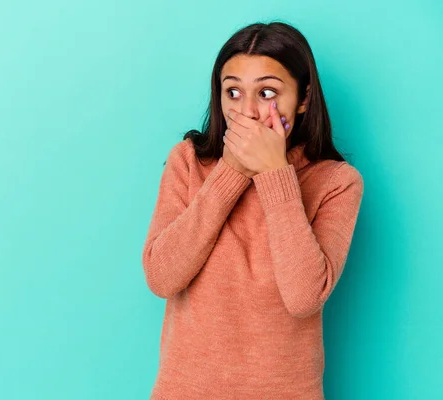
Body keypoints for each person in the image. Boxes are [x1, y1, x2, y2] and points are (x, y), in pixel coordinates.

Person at [141, 21, 365, 399]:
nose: (246, 112)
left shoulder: (337, 182)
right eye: (233, 91)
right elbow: (161, 277)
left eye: (266, 93)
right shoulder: (188, 163)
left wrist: (275, 173)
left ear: (303, 98)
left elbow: (303, 297)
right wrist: (231, 172)